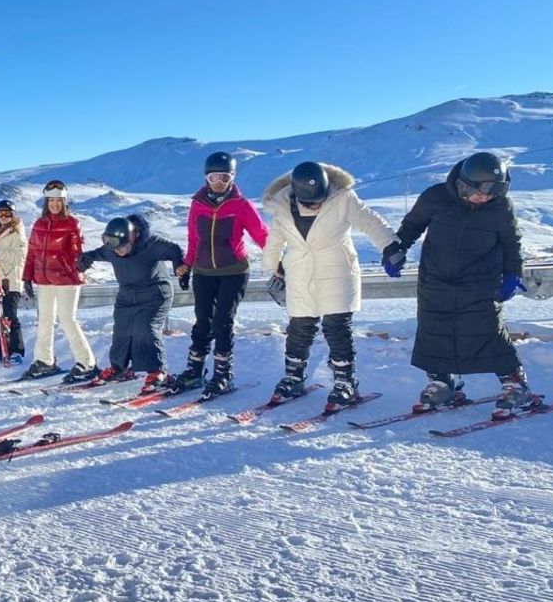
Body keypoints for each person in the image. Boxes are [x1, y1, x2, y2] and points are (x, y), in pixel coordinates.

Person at [383, 152, 535, 419]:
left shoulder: (501, 206)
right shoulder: (436, 196)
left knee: (488, 330)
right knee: (434, 330)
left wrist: (513, 274)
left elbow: (512, 243)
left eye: (491, 193)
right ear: (464, 183)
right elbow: (411, 226)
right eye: (478, 192)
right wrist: (396, 249)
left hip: (480, 280)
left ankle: (515, 383)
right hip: (435, 279)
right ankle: (443, 383)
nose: (483, 198)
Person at [261, 161, 399, 409]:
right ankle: (293, 377)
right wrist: (273, 266)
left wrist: (390, 247)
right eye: (310, 202)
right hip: (301, 274)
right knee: (299, 327)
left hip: (337, 270)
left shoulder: (343, 197)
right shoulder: (282, 207)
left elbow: (370, 221)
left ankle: (345, 383)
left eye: (319, 199)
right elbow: (274, 240)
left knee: (336, 327)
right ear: (296, 195)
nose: (316, 205)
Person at [167, 152, 269, 395]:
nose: (219, 182)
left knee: (223, 320)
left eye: (224, 177)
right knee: (202, 320)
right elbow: (194, 238)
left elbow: (261, 234)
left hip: (234, 270)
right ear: (206, 178)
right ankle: (195, 371)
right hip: (203, 271)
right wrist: (187, 266)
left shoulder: (242, 205)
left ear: (232, 178)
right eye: (214, 177)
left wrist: (278, 260)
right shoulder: (197, 204)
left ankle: (223, 375)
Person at [78, 215, 185, 387]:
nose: (118, 251)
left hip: (155, 295)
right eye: (115, 249)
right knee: (121, 330)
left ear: (132, 237)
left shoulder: (151, 245)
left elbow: (174, 250)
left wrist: (179, 265)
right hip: (127, 297)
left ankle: (158, 371)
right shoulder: (111, 248)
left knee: (146, 328)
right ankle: (118, 369)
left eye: (122, 247)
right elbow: (98, 253)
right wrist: (86, 258)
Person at [21, 180, 96, 381]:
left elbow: (77, 251)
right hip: (44, 280)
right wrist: (27, 277)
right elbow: (32, 253)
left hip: (66, 279)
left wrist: (78, 266)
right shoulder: (39, 224)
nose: (54, 204)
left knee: (67, 318)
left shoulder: (72, 223)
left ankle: (87, 362)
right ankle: (44, 361)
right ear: (46, 201)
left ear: (64, 202)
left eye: (58, 200)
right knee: (45, 320)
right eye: (51, 200)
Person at [0, 199, 28, 365]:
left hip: (10, 281)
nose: (3, 217)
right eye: (0, 214)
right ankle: (2, 348)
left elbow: (19, 258)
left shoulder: (18, 233)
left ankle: (17, 350)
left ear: (13, 215)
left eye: (7, 214)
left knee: (9, 316)